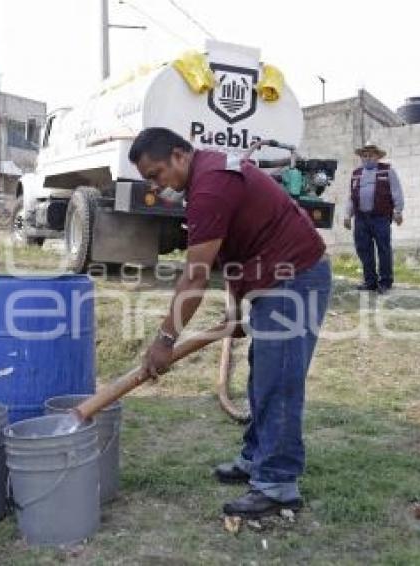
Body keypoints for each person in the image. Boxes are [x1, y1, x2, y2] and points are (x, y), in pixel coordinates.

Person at [129, 127, 332, 519]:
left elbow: (195, 276)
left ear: (178, 155)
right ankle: (257, 457)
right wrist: (236, 310)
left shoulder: (209, 187)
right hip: (273, 275)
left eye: (156, 174)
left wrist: (165, 341)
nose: (158, 185)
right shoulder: (206, 177)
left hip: (296, 276)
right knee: (263, 374)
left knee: (280, 377)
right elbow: (236, 253)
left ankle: (276, 484)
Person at [343, 143, 404, 293]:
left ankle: (385, 282)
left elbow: (397, 191)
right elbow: (352, 197)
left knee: (383, 249)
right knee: (363, 249)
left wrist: (398, 211)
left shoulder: (387, 171)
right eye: (365, 155)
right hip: (361, 218)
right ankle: (370, 281)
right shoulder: (356, 173)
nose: (368, 158)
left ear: (377, 156)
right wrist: (347, 215)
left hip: (381, 217)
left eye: (371, 155)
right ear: (361, 157)